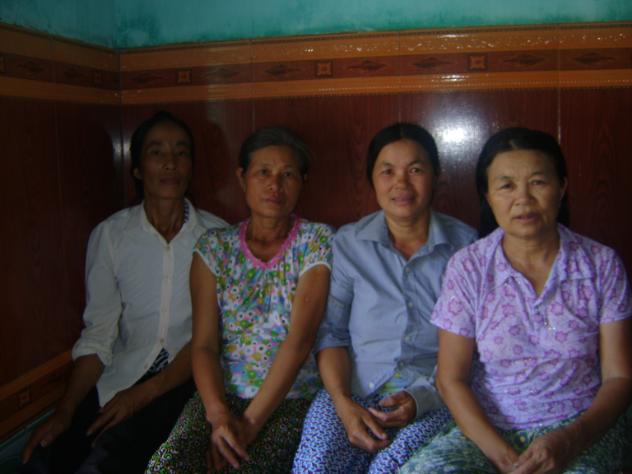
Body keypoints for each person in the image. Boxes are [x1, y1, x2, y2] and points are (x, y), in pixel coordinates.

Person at [400, 127, 632, 473]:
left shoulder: (600, 264)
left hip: (582, 427)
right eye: (506, 185)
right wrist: (506, 460)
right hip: (489, 429)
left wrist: (570, 440)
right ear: (488, 196)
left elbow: (619, 376)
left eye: (538, 182)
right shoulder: (469, 267)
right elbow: (451, 379)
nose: (523, 199)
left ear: (562, 188)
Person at [19, 111, 227, 473]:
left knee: (108, 458)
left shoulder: (219, 238)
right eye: (157, 153)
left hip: (183, 382)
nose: (170, 163)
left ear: (191, 166)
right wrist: (64, 411)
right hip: (121, 374)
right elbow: (99, 335)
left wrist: (141, 396)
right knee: (47, 456)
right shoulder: (111, 236)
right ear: (137, 169)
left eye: (181, 153)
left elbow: (211, 338)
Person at [292, 123, 477, 473]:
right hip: (354, 390)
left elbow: (472, 345)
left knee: (391, 468)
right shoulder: (349, 243)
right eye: (387, 171)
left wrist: (421, 399)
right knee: (314, 465)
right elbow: (331, 333)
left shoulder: (466, 247)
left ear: (436, 176)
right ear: (372, 180)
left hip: (435, 395)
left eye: (415, 170)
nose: (401, 184)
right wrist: (343, 403)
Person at [146, 127, 333, 473]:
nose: (275, 185)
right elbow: (204, 345)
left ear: (302, 182)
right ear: (242, 177)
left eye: (288, 175)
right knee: (166, 466)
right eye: (263, 172)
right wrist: (219, 416)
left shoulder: (316, 241)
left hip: (290, 398)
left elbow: (299, 342)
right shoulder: (214, 247)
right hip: (221, 396)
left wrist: (249, 424)